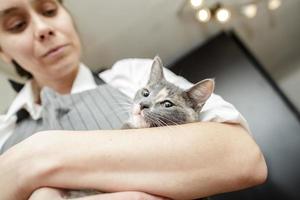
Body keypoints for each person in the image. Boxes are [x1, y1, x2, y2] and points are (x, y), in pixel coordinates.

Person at [0, 0, 267, 200]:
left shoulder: (130, 75)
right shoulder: (4, 132)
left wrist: (33, 157)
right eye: (17, 25)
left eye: (49, 11)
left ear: (68, 16)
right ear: (3, 52)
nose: (43, 28)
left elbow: (244, 158)